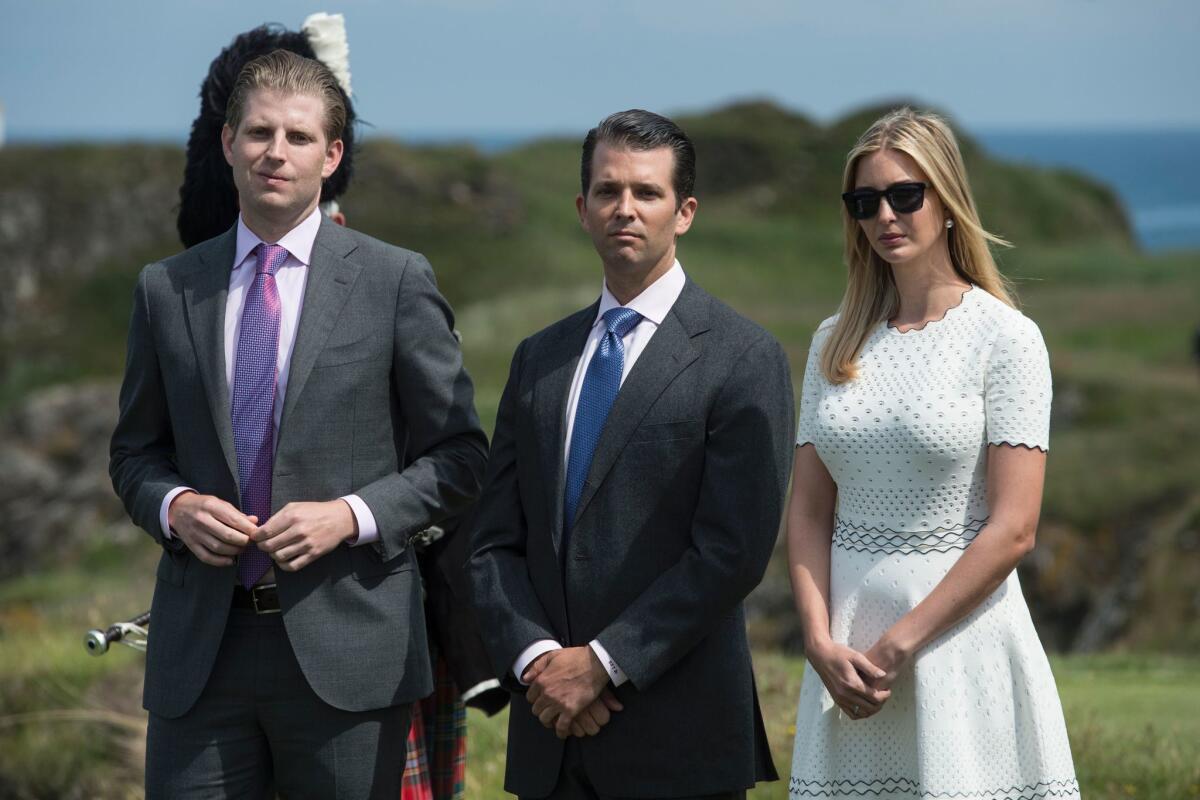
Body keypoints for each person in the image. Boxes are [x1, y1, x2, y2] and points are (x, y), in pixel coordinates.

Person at [109, 48, 488, 799]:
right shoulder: (166, 289)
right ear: (227, 144)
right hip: (200, 660)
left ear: (331, 155)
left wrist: (350, 517)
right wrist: (174, 506)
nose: (275, 152)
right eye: (258, 133)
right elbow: (134, 453)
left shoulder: (395, 279)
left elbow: (461, 457)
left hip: (349, 654)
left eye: (299, 137)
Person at [467, 109, 793, 799]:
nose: (626, 208)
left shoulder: (743, 357)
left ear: (685, 212)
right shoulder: (539, 359)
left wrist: (603, 665)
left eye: (647, 192)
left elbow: (731, 553)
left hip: (679, 738)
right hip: (550, 735)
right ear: (583, 210)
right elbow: (492, 542)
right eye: (608, 191)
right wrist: (539, 663)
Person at [787, 107, 1079, 799]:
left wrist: (901, 643)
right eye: (865, 201)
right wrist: (818, 640)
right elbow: (805, 511)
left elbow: (1014, 528)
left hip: (958, 653)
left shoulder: (1005, 339)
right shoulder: (833, 342)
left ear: (946, 200)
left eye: (904, 194)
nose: (885, 214)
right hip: (847, 660)